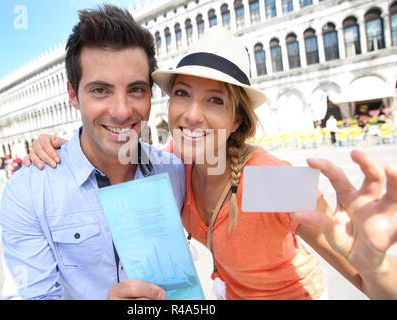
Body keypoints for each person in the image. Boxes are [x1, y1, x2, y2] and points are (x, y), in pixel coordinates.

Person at [27, 27, 397, 300]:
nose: (191, 115)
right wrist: (52, 146)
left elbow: (368, 281)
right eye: (182, 94)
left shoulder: (270, 179)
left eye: (215, 101)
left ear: (237, 120)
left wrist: (376, 265)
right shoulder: (173, 164)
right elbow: (106, 149)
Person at [0, 5, 184, 300]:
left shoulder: (175, 171)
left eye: (136, 89)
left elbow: (245, 190)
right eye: (100, 90)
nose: (122, 112)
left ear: (151, 93)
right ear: (73, 95)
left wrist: (279, 182)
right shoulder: (29, 192)